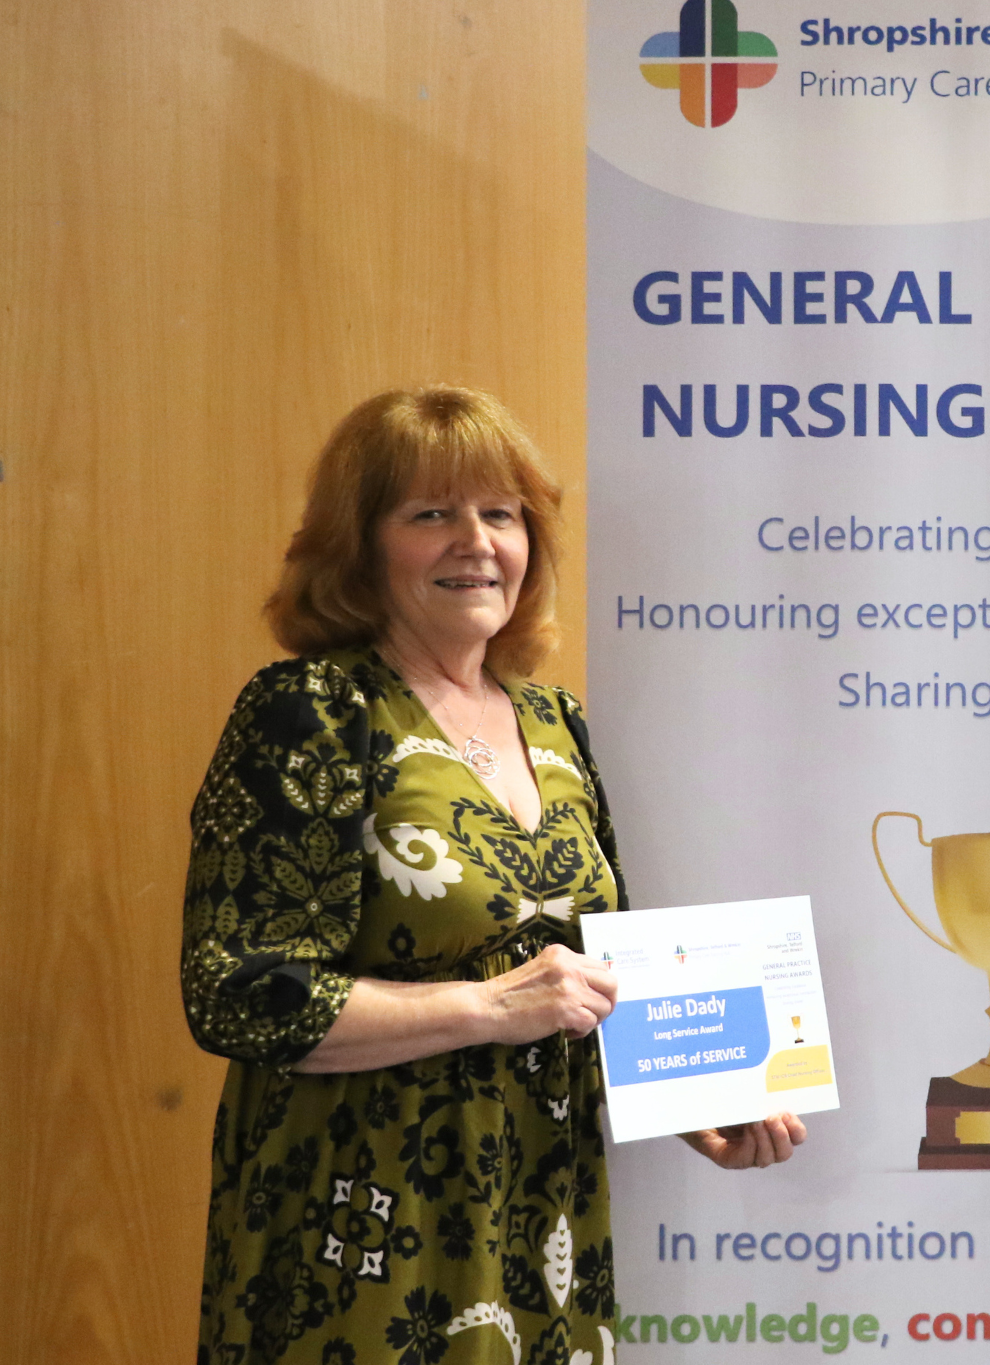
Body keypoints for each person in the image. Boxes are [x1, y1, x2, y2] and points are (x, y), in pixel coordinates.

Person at [182, 387, 806, 1364]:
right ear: (361, 543)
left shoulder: (553, 723)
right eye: (431, 513)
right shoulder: (310, 710)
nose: (475, 541)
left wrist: (705, 1100)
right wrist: (484, 1008)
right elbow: (242, 995)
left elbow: (594, 972)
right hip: (363, 1229)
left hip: (542, 1220)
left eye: (500, 514)